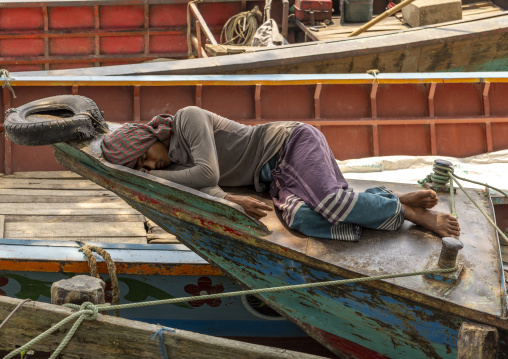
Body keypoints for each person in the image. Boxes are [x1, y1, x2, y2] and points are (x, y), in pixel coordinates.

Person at [101, 106, 460, 241]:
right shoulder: (177, 168)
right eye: (141, 169)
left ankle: (409, 213)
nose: (149, 168)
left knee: (332, 202)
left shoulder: (187, 119)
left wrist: (145, 180)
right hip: (273, 180)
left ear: (149, 138)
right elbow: (205, 187)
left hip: (289, 143)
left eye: (143, 159)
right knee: (306, 220)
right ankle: (387, 199)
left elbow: (207, 172)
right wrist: (229, 199)